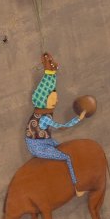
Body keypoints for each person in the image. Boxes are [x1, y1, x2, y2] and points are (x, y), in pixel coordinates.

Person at [25, 52, 87, 195]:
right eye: (54, 99)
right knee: (67, 157)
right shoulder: (44, 118)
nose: (56, 101)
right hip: (38, 146)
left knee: (65, 149)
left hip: (44, 141)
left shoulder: (41, 112)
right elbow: (62, 126)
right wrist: (79, 118)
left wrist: (51, 73)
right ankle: (76, 188)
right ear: (45, 100)